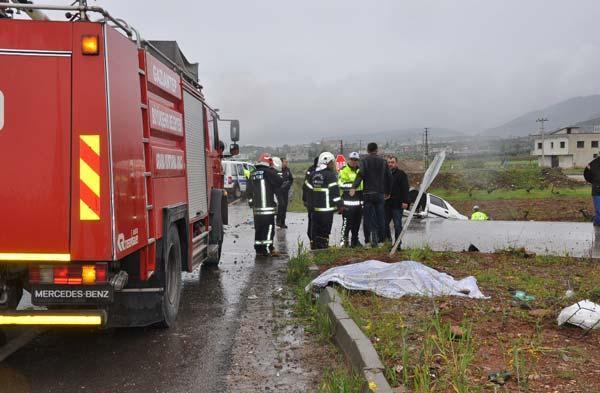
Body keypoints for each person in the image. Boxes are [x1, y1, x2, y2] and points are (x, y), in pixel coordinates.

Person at [350, 142, 391, 247]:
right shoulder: (383, 162)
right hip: (380, 193)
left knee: (367, 218)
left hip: (367, 193)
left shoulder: (364, 161)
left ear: (368, 150)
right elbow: (389, 177)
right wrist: (388, 192)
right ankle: (381, 241)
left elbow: (360, 175)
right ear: (377, 150)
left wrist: (354, 187)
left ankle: (367, 242)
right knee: (381, 217)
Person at [246, 153, 283, 256]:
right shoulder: (269, 172)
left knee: (259, 229)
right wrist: (275, 171)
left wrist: (251, 203)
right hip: (267, 209)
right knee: (268, 230)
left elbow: (248, 191)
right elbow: (280, 182)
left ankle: (259, 250)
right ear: (269, 163)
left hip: (257, 210)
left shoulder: (252, 172)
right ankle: (267, 250)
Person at [307, 152, 342, 249]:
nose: (333, 164)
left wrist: (309, 205)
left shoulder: (313, 174)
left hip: (315, 210)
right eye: (332, 162)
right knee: (325, 230)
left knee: (316, 229)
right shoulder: (330, 175)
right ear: (326, 162)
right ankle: (323, 247)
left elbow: (307, 191)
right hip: (327, 210)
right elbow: (335, 193)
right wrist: (340, 205)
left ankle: (315, 246)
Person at [338, 152, 364, 247]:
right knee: (346, 223)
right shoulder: (344, 170)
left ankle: (355, 241)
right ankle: (343, 242)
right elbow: (341, 184)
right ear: (349, 159)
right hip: (347, 203)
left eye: (356, 160)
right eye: (352, 159)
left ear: (358, 161)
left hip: (358, 202)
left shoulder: (360, 170)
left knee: (357, 223)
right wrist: (354, 185)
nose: (354, 161)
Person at [385, 156, 410, 242]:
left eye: (392, 162)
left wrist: (406, 201)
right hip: (386, 204)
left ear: (396, 163)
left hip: (397, 204)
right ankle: (388, 242)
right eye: (388, 162)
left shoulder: (401, 174)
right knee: (384, 224)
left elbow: (405, 189)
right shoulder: (384, 174)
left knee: (397, 225)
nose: (390, 164)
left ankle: (397, 244)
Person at [302, 157, 319, 245]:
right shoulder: (312, 170)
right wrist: (304, 199)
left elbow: (304, 186)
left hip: (311, 199)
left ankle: (313, 237)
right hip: (312, 200)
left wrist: (304, 199)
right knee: (313, 219)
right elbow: (305, 185)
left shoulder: (311, 169)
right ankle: (312, 237)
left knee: (312, 219)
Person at [276, 158, 294, 228]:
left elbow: (291, 179)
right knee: (281, 205)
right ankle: (278, 221)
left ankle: (282, 222)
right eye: (285, 162)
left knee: (284, 207)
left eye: (287, 162)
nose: (286, 163)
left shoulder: (288, 170)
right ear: (281, 162)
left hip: (285, 191)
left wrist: (288, 185)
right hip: (278, 192)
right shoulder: (277, 170)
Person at [584, 156, 600, 226]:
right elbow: (586, 173)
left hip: (596, 188)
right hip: (596, 190)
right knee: (598, 209)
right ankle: (597, 223)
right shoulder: (593, 163)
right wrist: (594, 182)